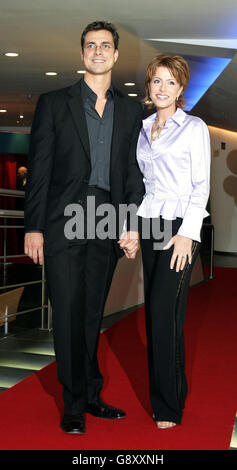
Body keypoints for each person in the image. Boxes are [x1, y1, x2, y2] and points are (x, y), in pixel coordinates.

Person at [24, 20, 144, 435]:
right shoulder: (55, 102)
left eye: (105, 45)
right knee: (69, 312)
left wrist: (128, 224)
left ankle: (91, 394)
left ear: (114, 55)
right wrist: (33, 227)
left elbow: (131, 173)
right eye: (90, 45)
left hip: (106, 218)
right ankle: (73, 403)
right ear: (82, 54)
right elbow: (38, 170)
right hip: (61, 221)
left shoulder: (130, 110)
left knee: (92, 314)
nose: (97, 51)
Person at [135, 54, 210, 429]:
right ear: (148, 86)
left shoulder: (194, 126)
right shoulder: (144, 126)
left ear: (181, 89)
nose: (162, 88)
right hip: (150, 222)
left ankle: (169, 405)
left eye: (170, 82)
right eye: (156, 81)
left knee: (166, 313)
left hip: (180, 225)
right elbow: (143, 184)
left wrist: (187, 233)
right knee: (155, 313)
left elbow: (201, 185)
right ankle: (162, 396)